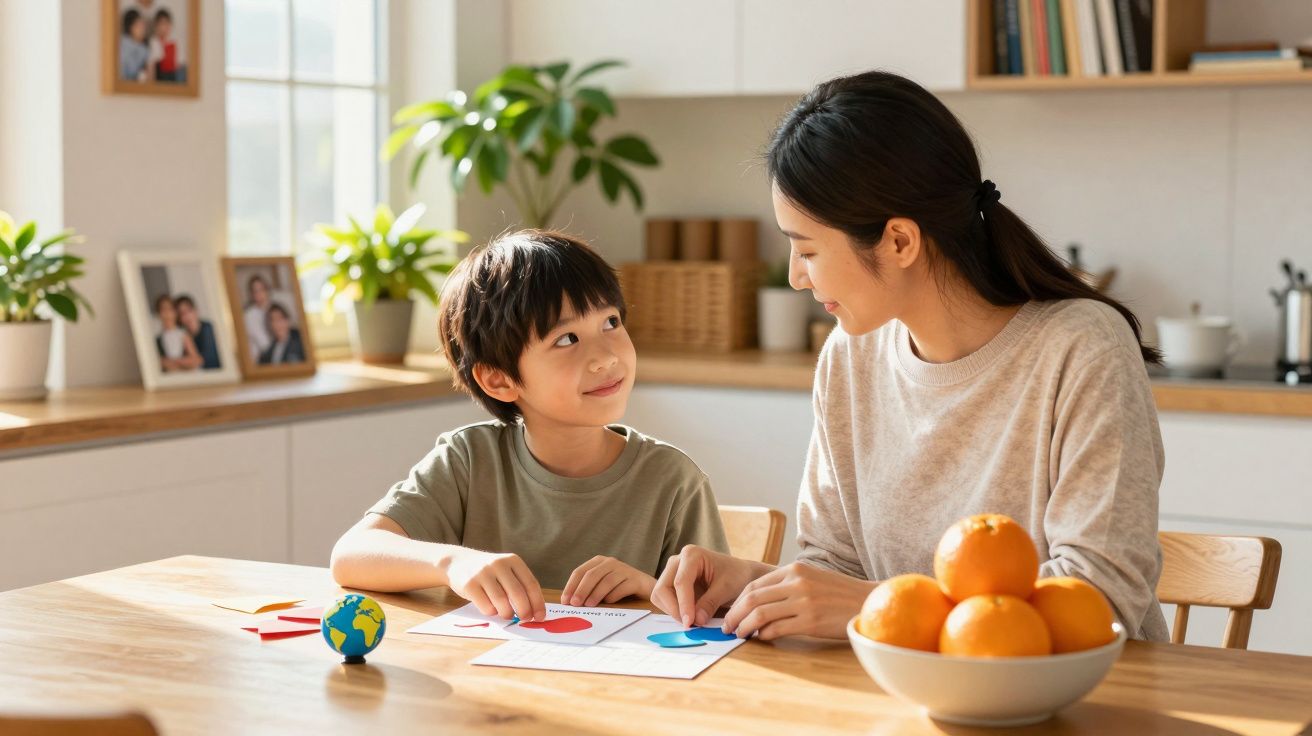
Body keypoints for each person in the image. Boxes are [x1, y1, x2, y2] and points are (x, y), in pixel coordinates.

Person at [652, 70, 1169, 643]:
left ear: (899, 241)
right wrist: (760, 584)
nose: (797, 277)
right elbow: (839, 569)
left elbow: (1099, 599)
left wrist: (869, 605)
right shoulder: (850, 355)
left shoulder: (1081, 347)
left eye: (807, 250)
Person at [330, 230, 730, 622]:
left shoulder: (674, 480)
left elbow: (718, 615)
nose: (606, 357)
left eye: (610, 322)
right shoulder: (469, 461)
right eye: (567, 338)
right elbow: (352, 555)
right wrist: (451, 562)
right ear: (499, 380)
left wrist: (647, 588)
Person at [154, 293, 199, 372]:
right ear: (159, 314)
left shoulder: (183, 334)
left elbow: (195, 359)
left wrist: (177, 362)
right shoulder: (157, 339)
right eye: (163, 309)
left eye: (170, 309)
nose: (167, 313)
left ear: (175, 312)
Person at [175, 294, 221, 370]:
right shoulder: (183, 335)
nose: (187, 316)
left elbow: (201, 360)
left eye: (189, 311)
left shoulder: (208, 328)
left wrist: (172, 362)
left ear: (196, 310)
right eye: (182, 314)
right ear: (179, 319)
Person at [243, 274, 273, 361]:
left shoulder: (273, 309)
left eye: (262, 290)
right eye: (256, 291)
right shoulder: (249, 315)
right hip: (260, 359)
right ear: (252, 295)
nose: (260, 294)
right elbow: (264, 344)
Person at [119, 9, 150, 83]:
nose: (142, 30)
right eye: (139, 26)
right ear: (131, 27)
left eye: (143, 26)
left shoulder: (144, 49)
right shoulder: (123, 42)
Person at [150, 8, 179, 82]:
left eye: (168, 23)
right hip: (161, 78)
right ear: (157, 26)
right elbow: (153, 66)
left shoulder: (174, 41)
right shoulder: (154, 42)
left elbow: (178, 64)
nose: (166, 27)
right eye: (162, 23)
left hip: (174, 77)